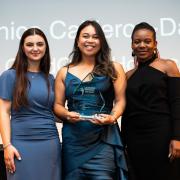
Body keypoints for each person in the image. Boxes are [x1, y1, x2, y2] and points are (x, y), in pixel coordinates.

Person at [54, 20, 128, 180]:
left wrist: (113, 117)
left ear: (101, 41)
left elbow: (121, 101)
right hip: (73, 141)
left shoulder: (114, 68)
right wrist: (66, 115)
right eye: (85, 36)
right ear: (77, 41)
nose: (90, 40)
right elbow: (57, 105)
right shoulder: (63, 72)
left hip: (103, 140)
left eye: (95, 37)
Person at [0, 28, 61, 180]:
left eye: (40, 44)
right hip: (20, 144)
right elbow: (3, 111)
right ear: (22, 47)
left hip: (50, 144)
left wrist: (79, 117)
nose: (35, 48)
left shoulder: (51, 79)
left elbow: (52, 112)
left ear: (46, 48)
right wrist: (7, 145)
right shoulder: (9, 76)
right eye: (30, 44)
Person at [121, 22, 180, 180]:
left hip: (162, 135)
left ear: (155, 44)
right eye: (137, 41)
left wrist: (177, 138)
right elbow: (126, 112)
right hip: (135, 139)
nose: (142, 45)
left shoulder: (169, 66)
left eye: (147, 41)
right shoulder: (127, 76)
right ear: (132, 45)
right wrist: (123, 142)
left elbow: (177, 103)